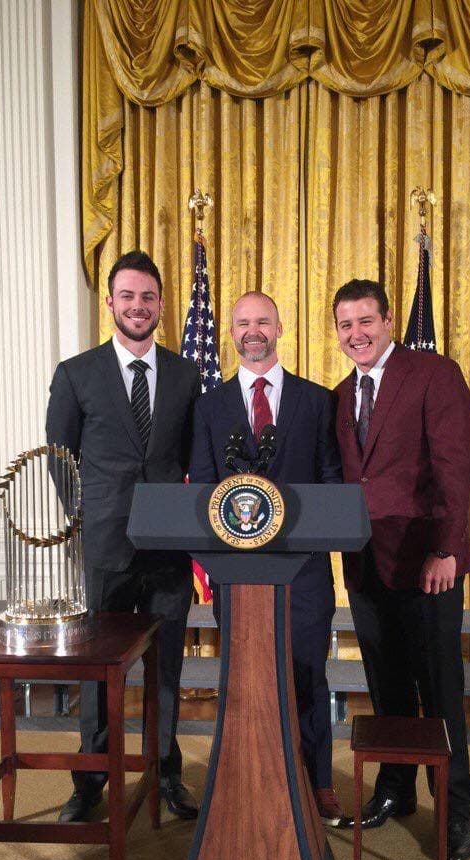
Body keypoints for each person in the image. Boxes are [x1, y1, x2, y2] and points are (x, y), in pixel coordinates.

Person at [46, 250, 201, 823]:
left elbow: (191, 457)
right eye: (128, 296)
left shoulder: (186, 375)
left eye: (149, 297)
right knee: (99, 668)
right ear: (110, 302)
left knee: (167, 668)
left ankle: (165, 772)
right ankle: (89, 780)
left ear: (161, 305)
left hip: (167, 547)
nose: (138, 306)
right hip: (106, 545)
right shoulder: (76, 373)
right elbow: (61, 458)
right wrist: (87, 519)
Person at [189, 291, 349, 827]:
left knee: (307, 675)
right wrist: (215, 567)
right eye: (242, 323)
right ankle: (244, 783)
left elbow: (330, 482)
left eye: (262, 321)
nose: (252, 330)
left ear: (280, 327)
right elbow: (203, 490)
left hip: (304, 574)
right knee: (245, 681)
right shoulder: (209, 407)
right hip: (237, 578)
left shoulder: (316, 402)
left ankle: (317, 783)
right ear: (231, 333)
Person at [332, 279, 470, 860]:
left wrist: (447, 549)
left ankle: (455, 813)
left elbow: (455, 467)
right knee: (386, 688)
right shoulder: (342, 394)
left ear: (389, 320)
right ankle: (395, 790)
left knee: (441, 692)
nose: (356, 334)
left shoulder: (433, 374)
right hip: (367, 564)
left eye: (366, 321)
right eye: (345, 325)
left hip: (427, 564)